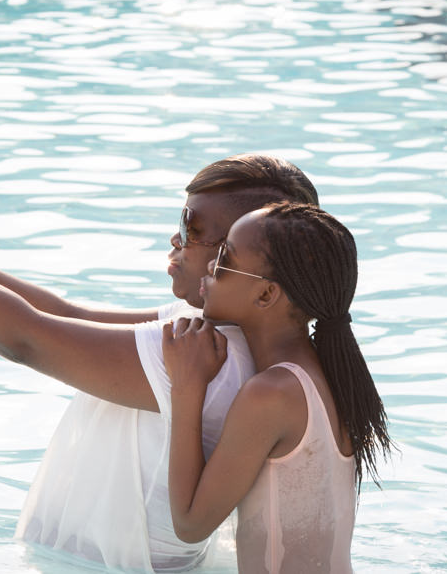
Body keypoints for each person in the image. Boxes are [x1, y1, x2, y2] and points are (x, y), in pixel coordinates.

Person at [0, 154, 318, 571]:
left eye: (193, 226)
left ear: (248, 256)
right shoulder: (208, 330)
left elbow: (26, 339)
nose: (175, 238)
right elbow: (69, 316)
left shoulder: (203, 356)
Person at [162, 203, 393, 573]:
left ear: (266, 295)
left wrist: (186, 385)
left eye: (223, 258)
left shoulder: (271, 393)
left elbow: (190, 524)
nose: (209, 265)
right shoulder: (330, 373)